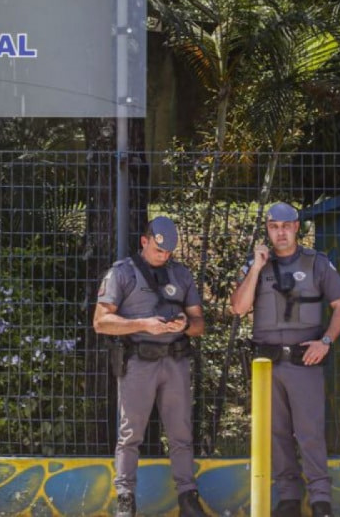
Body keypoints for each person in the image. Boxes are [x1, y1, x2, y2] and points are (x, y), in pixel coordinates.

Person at [229, 202, 340, 517]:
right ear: (268, 229)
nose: (280, 232)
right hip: (267, 363)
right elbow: (238, 308)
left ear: (297, 226)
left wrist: (325, 342)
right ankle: (288, 497)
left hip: (304, 362)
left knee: (310, 431)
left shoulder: (317, 263)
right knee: (276, 431)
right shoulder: (256, 266)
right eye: (273, 226)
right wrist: (255, 268)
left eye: (286, 226)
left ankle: (320, 498)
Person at [93, 216, 209, 517]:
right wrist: (142, 324)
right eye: (159, 251)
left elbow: (199, 324)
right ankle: (125, 499)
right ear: (145, 241)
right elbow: (100, 321)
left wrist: (185, 325)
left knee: (181, 433)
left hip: (176, 361)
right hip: (138, 363)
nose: (165, 256)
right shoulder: (122, 274)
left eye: (169, 252)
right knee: (130, 435)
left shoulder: (181, 275)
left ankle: (188, 498)